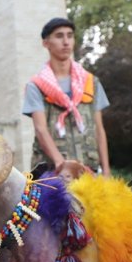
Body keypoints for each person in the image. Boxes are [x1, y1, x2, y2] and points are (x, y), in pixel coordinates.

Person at [22, 17, 111, 176]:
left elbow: (99, 129)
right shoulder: (36, 86)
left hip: (88, 171)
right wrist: (60, 164)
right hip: (51, 172)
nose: (66, 41)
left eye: (70, 36)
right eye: (59, 36)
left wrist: (106, 170)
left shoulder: (90, 82)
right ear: (46, 43)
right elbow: (40, 128)